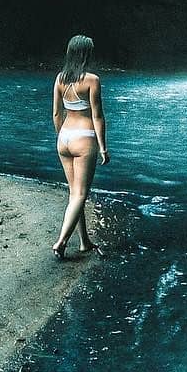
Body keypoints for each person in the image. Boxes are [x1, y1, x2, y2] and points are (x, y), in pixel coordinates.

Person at [52, 33, 109, 259]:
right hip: (84, 138)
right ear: (87, 54)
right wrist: (103, 147)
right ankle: (61, 241)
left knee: (74, 193)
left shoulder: (60, 78)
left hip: (64, 137)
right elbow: (98, 116)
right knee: (80, 194)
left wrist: (61, 137)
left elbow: (57, 113)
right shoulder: (92, 80)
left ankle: (84, 241)